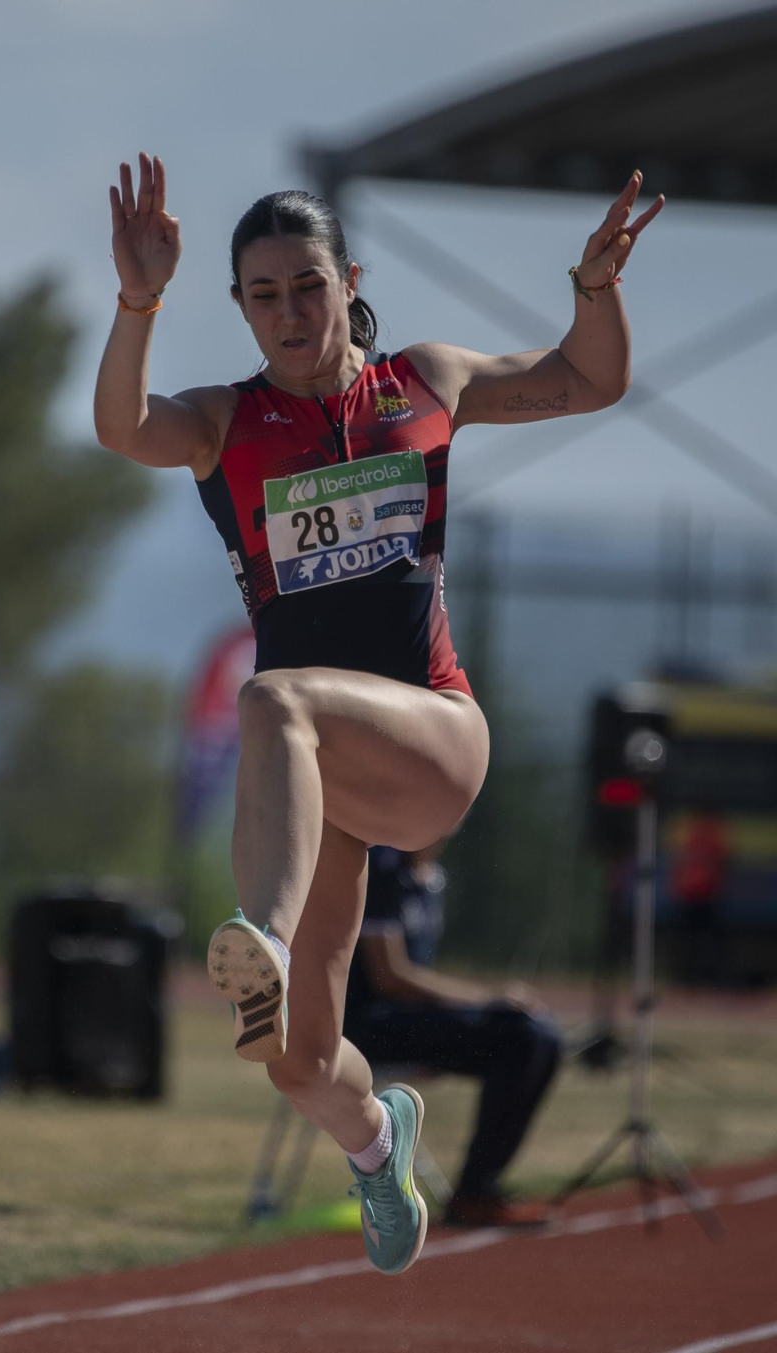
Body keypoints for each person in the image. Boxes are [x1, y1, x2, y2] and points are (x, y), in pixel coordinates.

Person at [93, 152, 661, 1274]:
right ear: (240, 308)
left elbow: (585, 383)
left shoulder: (425, 383)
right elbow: (121, 427)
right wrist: (136, 300)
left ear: (345, 278)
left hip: (434, 738)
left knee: (273, 699)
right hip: (328, 793)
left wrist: (594, 292)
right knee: (298, 1061)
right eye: (263, 296)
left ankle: (256, 929)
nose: (290, 313)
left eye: (307, 286)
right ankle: (374, 1141)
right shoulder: (222, 422)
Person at [346, 844, 562, 1228]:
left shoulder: (431, 877)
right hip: (367, 1029)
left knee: (543, 1040)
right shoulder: (379, 868)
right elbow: (389, 977)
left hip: (409, 1019)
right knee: (522, 1038)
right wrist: (491, 999)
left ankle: (479, 1187)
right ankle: (475, 1193)